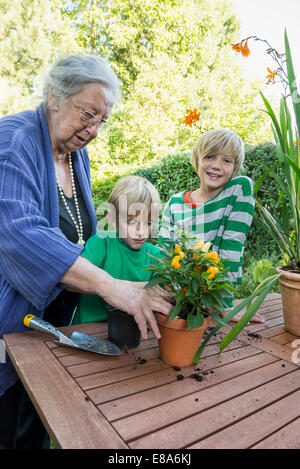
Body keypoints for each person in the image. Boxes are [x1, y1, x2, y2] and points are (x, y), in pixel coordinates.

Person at [0, 54, 171, 448]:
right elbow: (21, 236)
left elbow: (80, 235)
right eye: (87, 114)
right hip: (8, 326)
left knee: (36, 430)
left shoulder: (77, 155)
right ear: (54, 95)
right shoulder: (13, 144)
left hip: (47, 331)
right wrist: (109, 285)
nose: (93, 129)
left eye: (102, 120)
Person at [159, 128, 264, 323]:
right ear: (197, 160)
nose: (216, 165)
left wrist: (224, 304)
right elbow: (165, 253)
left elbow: (231, 246)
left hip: (211, 296)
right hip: (177, 299)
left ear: (234, 168)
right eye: (210, 157)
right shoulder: (174, 203)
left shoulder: (239, 190)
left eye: (227, 160)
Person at [72, 175, 167, 324]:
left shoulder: (155, 255)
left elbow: (168, 293)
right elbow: (76, 281)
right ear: (112, 219)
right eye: (131, 222)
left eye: (148, 223)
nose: (140, 231)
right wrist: (141, 287)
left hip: (133, 332)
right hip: (88, 330)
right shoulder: (101, 243)